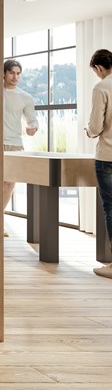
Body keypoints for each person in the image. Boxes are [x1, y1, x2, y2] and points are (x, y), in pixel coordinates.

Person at [84, 49, 112, 278]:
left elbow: (95, 127)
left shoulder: (102, 87)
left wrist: (88, 131)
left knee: (111, 208)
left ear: (99, 68)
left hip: (108, 156)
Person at [3, 59, 39, 213]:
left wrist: (33, 128)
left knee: (9, 183)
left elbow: (33, 120)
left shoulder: (25, 97)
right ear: (4, 73)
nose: (15, 76)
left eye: (18, 74)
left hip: (15, 144)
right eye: (11, 72)